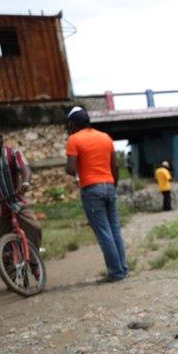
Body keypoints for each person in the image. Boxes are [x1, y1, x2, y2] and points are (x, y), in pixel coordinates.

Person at [65, 106, 128, 282]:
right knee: (115, 230)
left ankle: (116, 273)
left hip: (91, 189)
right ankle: (122, 268)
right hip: (109, 185)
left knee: (103, 232)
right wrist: (112, 185)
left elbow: (70, 168)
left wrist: (74, 169)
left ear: (73, 123)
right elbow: (115, 165)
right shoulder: (105, 137)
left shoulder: (74, 139)